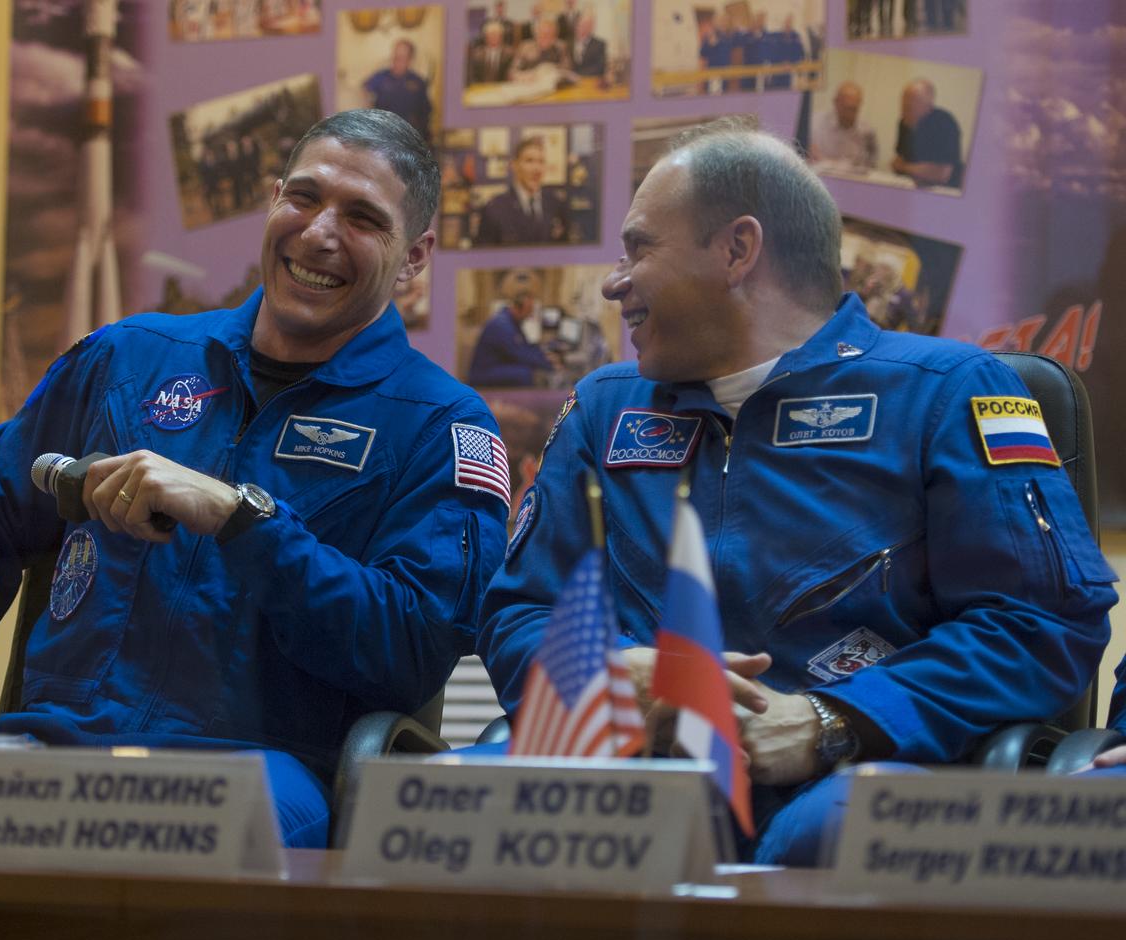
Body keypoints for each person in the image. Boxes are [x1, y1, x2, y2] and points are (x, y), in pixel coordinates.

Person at [0, 109, 510, 850]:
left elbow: (414, 645)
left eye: (362, 218)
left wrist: (243, 522)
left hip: (254, 776)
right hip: (46, 755)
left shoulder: (440, 425)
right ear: (272, 200)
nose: (320, 232)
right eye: (303, 197)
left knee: (127, 841)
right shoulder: (128, 360)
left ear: (414, 257)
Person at [475, 117, 1117, 866]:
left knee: (844, 832)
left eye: (639, 249)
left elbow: (1042, 625)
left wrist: (829, 721)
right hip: (628, 776)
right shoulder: (602, 408)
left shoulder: (947, 393)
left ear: (737, 250)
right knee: (430, 806)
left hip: (849, 779)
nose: (614, 282)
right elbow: (521, 611)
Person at [466, 272, 559, 389]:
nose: (529, 315)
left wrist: (544, 356)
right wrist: (550, 365)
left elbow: (525, 346)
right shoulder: (501, 325)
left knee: (528, 368)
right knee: (525, 373)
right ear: (519, 308)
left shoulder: (512, 322)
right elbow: (520, 354)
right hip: (482, 374)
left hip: (497, 366)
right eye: (528, 311)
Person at [473, 135, 569, 247]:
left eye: (541, 161)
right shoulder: (494, 209)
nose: (537, 169)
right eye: (529, 161)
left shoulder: (556, 204)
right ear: (515, 165)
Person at [892, 78, 964, 189]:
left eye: (914, 100)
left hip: (944, 190)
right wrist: (914, 168)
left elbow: (942, 175)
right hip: (911, 185)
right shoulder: (903, 123)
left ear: (929, 106)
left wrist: (905, 167)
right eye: (904, 98)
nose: (906, 104)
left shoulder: (945, 122)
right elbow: (897, 162)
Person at [364, 39, 433, 144]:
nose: (396, 61)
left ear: (410, 59)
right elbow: (362, 93)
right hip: (382, 138)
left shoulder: (418, 83)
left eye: (401, 58)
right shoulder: (380, 77)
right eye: (395, 57)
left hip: (409, 139)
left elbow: (426, 113)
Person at [810, 81, 878, 171]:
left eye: (854, 109)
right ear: (836, 102)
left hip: (851, 178)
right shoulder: (814, 123)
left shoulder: (867, 132)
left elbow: (870, 164)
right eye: (847, 108)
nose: (850, 114)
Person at [468, 20, 514, 85]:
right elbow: (472, 75)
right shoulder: (477, 54)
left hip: (501, 88)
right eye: (491, 35)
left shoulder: (509, 53)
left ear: (501, 37)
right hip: (480, 88)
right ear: (485, 37)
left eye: (496, 35)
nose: (493, 37)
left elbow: (510, 74)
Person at [569, 12, 607, 79]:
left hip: (590, 81)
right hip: (569, 82)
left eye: (587, 25)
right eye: (580, 24)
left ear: (591, 28)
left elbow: (600, 67)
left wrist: (579, 76)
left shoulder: (599, 44)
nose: (583, 28)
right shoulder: (569, 43)